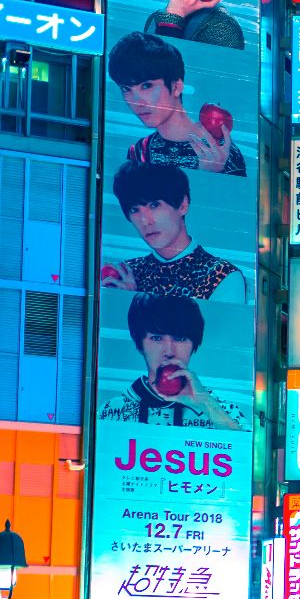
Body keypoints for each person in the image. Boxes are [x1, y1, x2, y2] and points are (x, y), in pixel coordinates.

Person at [102, 161, 247, 301]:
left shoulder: (222, 276)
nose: (145, 220)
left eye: (154, 205)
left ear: (183, 205)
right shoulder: (126, 273)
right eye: (135, 210)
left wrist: (133, 300)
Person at [98, 292, 245, 429]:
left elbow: (249, 451)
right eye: (156, 338)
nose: (169, 352)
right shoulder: (112, 411)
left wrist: (205, 404)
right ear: (140, 344)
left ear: (194, 343)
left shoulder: (222, 410)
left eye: (180, 338)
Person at [106, 32, 243, 175]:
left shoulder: (221, 151)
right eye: (126, 89)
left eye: (146, 86)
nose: (136, 102)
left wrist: (213, 173)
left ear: (176, 87)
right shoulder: (140, 151)